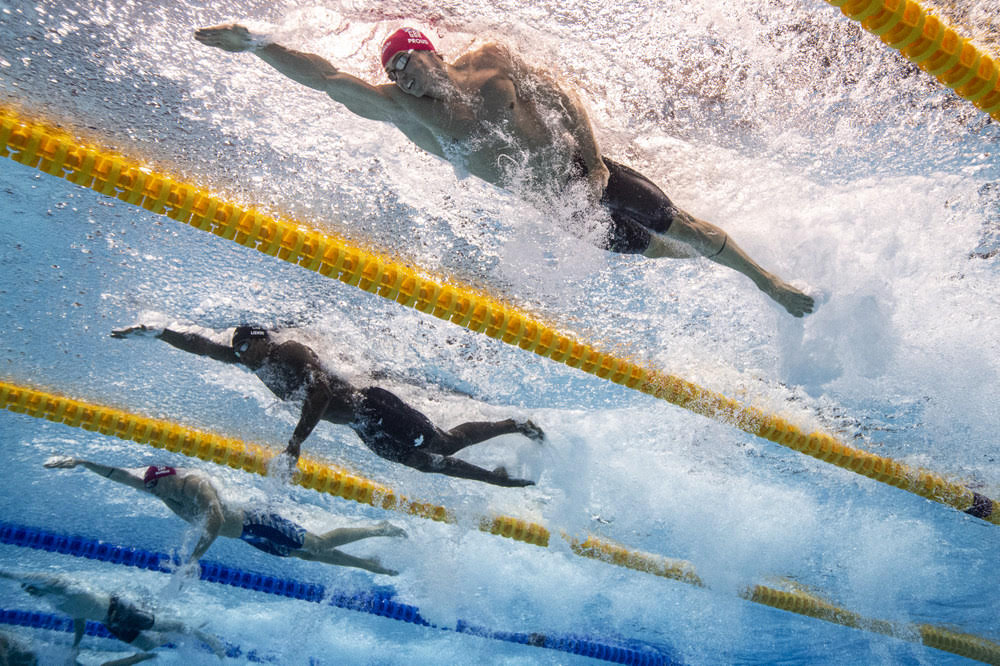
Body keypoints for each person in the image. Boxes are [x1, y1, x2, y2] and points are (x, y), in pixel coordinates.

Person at [193, 24, 815, 318]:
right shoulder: (407, 115)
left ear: (429, 51)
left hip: (588, 175)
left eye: (406, 62)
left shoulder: (491, 62)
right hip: (560, 210)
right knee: (657, 252)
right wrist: (256, 46)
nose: (402, 77)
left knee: (681, 225)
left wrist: (593, 157)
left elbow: (559, 95)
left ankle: (769, 283)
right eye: (394, 73)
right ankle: (716, 268)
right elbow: (326, 78)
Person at [110, 324, 543, 487]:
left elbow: (318, 394)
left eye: (247, 348)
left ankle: (513, 423)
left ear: (265, 340)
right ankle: (497, 480)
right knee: (421, 463)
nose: (243, 356)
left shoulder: (291, 353)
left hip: (374, 409)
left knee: (443, 445)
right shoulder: (249, 360)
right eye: (238, 351)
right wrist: (156, 332)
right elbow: (202, 346)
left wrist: (296, 441)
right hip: (362, 427)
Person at [43, 455, 408, 575]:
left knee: (320, 544)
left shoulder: (195, 485)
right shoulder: (160, 488)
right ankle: (368, 564)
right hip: (249, 535)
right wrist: (80, 462)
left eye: (156, 488)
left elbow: (215, 520)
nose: (152, 493)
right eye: (150, 489)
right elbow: (122, 476)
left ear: (170, 479)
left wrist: (194, 559)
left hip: (257, 522)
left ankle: (379, 527)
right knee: (308, 556)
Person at [0, 570, 225, 664]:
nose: (30, 593)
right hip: (111, 623)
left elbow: (18, 576)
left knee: (168, 623)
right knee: (149, 644)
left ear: (35, 583)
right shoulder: (54, 600)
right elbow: (79, 619)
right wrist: (75, 645)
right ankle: (189, 628)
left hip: (120, 610)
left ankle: (206, 636)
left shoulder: (57, 585)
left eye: (30, 588)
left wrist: (5, 574)